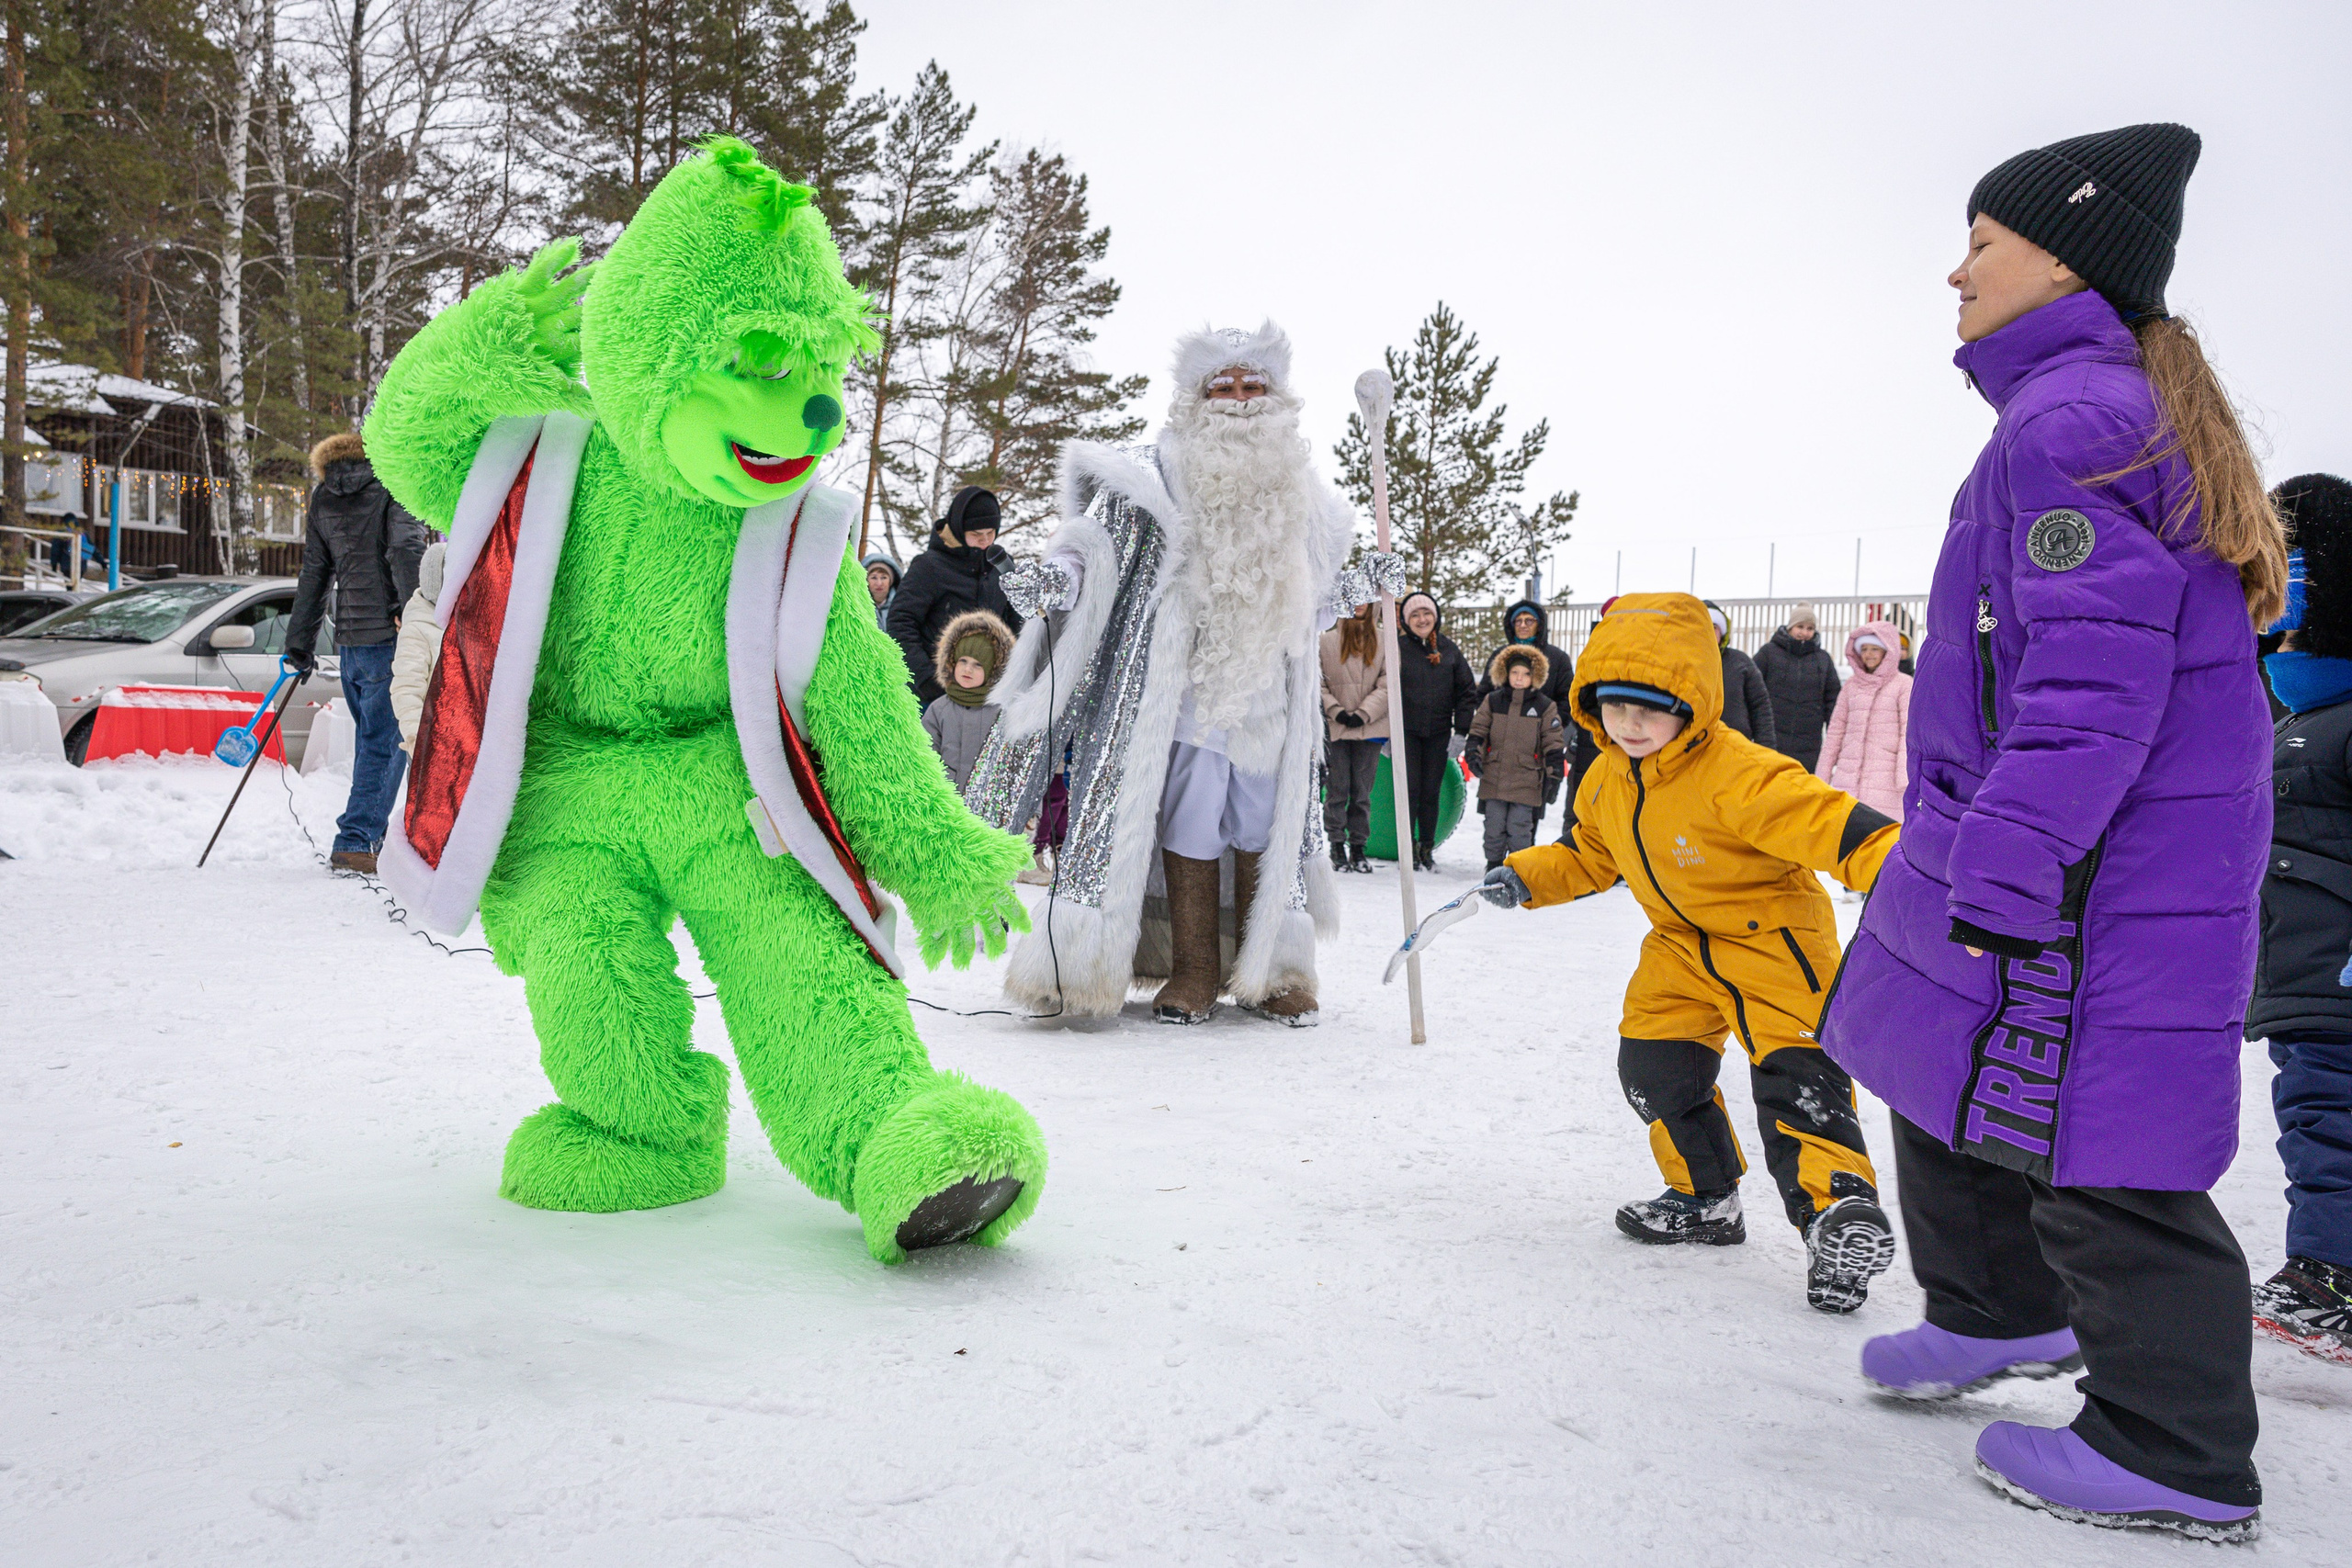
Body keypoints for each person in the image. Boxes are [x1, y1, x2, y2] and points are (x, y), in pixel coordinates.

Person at [1821, 124, 2285, 1540]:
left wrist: (2019, 857)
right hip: (2036, 837)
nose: (1954, 267)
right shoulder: (2077, 405)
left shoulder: (2075, 419)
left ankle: (2177, 1447)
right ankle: (1997, 1310)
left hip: (2096, 861)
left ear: (2066, 253)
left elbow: (2096, 684)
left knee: (2104, 1134)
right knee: (1922, 1038)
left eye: (1982, 239)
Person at [1476, 593, 1900, 1313]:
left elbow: (1831, 824)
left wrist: (1914, 878)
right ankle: (1707, 1200)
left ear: (1694, 704)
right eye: (1615, 707)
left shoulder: (1738, 771)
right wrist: (1527, 874)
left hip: (1775, 945)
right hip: (1679, 948)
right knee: (1652, 1066)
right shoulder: (1609, 775)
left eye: (1652, 707)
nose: (1631, 724)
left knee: (1797, 1085)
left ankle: (1836, 1221)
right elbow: (1590, 854)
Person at [972, 322, 1404, 1026]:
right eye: (1223, 386)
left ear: (1278, 396)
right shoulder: (1154, 473)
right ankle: (1195, 967)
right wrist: (1055, 579)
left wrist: (1361, 583)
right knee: (1192, 817)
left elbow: (1312, 599)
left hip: (1269, 696)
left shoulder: (1305, 498)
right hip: (1186, 693)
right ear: (1195, 397)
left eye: (1253, 386)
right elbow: (1093, 548)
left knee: (1266, 823)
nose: (1239, 399)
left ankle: (1273, 971)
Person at [2246, 471, 2352, 1366]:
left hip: (2339, 973)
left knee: (2328, 1115)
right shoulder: (2290, 723)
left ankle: (2330, 1276)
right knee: (2309, 1113)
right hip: (2298, 972)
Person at [285, 429, 429, 874]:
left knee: (376, 742)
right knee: (386, 745)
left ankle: (370, 836)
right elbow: (405, 549)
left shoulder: (325, 495)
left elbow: (315, 572)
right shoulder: (392, 483)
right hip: (389, 636)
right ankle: (357, 839)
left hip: (349, 642)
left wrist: (300, 643)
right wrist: (412, 613)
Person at [888, 486, 1022, 706]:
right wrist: (928, 680)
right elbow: (900, 623)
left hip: (986, 695)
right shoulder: (929, 566)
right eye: (976, 535)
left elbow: (1015, 625)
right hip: (931, 697)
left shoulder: (1001, 567)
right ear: (960, 529)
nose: (985, 541)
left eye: (991, 533)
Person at [1395, 591, 1476, 871]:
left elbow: (1466, 692)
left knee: (1430, 792)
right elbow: (1384, 690)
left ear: (1435, 616)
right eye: (1414, 615)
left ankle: (1425, 849)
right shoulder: (1397, 648)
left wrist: (1461, 732)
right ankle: (1406, 850)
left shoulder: (1448, 650)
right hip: (1406, 732)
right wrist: (1387, 733)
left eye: (1426, 613)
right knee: (1409, 791)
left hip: (1439, 733)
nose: (1421, 619)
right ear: (1406, 620)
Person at [1465, 645, 1563, 870]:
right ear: (1505, 674)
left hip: (1527, 779)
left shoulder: (1544, 706)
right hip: (1494, 775)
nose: (1520, 678)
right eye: (1515, 673)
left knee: (1520, 826)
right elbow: (1479, 730)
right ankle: (1493, 864)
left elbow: (1553, 741)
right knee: (1494, 824)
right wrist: (1474, 754)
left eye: (1526, 674)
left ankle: (1519, 867)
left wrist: (1554, 773)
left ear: (1535, 676)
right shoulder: (1493, 700)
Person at [1815, 619, 1912, 820]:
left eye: (1875, 649)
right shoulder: (1851, 686)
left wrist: (1904, 775)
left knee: (1882, 837)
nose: (1868, 654)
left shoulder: (1903, 685)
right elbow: (1835, 732)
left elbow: (1908, 732)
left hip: (1885, 779)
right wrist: (1822, 777)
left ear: (1888, 651)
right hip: (1847, 776)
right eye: (1865, 649)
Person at [1319, 601, 1388, 874]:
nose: (1359, 605)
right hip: (1336, 727)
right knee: (1337, 790)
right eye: (1354, 599)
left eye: (1364, 600)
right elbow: (1318, 681)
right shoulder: (1326, 641)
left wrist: (1365, 712)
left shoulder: (1384, 640)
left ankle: (1359, 847)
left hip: (1369, 728)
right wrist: (1335, 710)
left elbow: (1387, 682)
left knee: (1361, 793)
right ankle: (1336, 844)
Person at [923, 610, 1012, 793]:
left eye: (978, 664)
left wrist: (1030, 813)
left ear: (993, 671)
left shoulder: (1004, 713)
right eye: (963, 661)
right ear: (951, 662)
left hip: (989, 809)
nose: (967, 669)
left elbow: (1019, 765)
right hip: (944, 805)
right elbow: (922, 757)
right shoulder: (939, 710)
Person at [1753, 603, 1840, 773]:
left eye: (1810, 628)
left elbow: (1833, 701)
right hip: (1771, 739)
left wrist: (1834, 736)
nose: (1804, 633)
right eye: (1800, 626)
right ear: (1790, 627)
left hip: (1809, 744)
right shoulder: (1768, 653)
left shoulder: (1823, 660)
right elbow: (1752, 690)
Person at [389, 539, 447, 752]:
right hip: (429, 748)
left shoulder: (459, 623)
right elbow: (406, 689)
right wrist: (418, 740)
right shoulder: (417, 630)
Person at [1702, 600, 1776, 750]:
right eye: (1703, 627)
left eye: (1714, 627)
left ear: (1722, 633)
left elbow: (1760, 706)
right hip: (1693, 751)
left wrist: (1767, 751)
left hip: (1736, 750)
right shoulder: (1681, 664)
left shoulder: (1741, 662)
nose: (1709, 631)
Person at [863, 552, 900, 630]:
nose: (879, 583)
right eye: (874, 578)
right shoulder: (857, 608)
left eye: (884, 577)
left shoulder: (902, 606)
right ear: (865, 580)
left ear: (891, 581)